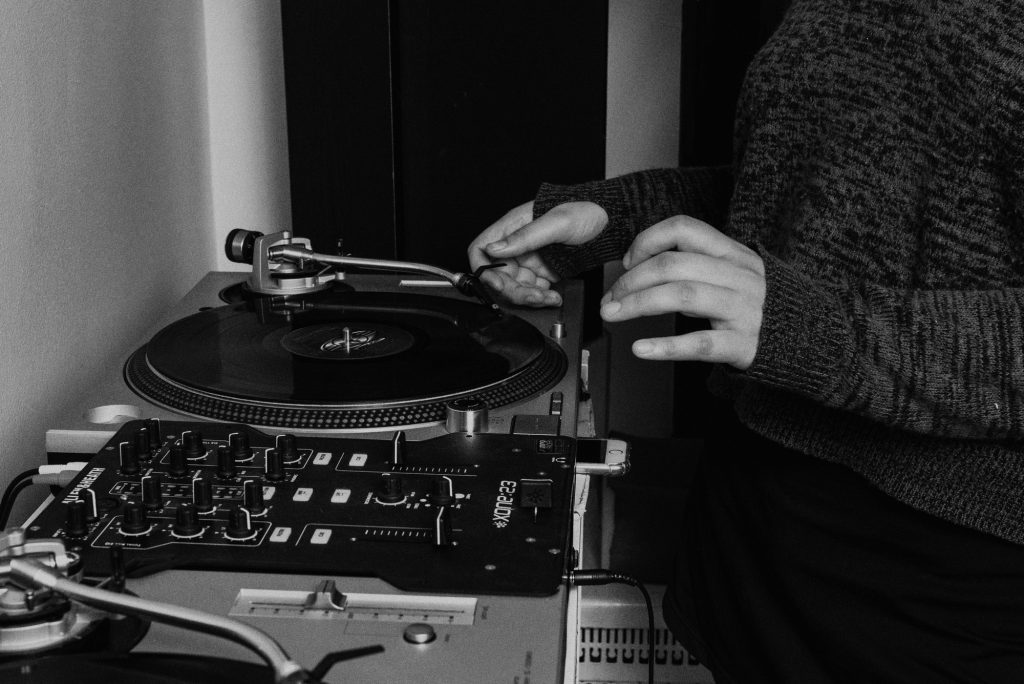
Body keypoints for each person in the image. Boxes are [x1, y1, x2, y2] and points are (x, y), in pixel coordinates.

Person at [468, 2, 1024, 683]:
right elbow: (820, 189)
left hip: (935, 587)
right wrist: (622, 214)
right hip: (755, 512)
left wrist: (809, 327)